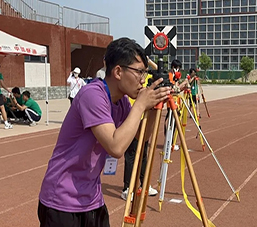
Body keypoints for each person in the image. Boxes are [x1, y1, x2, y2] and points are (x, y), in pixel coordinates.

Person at [37, 38, 170, 227]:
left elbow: (140, 137)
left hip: (91, 198)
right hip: (62, 200)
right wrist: (140, 105)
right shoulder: (92, 95)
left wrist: (153, 108)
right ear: (118, 71)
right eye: (139, 72)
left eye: (145, 73)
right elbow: (116, 147)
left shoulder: (121, 101)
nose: (143, 79)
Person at [121, 73, 158, 201]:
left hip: (143, 120)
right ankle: (127, 188)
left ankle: (144, 184)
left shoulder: (147, 77)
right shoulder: (129, 81)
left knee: (143, 155)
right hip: (130, 120)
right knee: (131, 156)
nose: (142, 80)